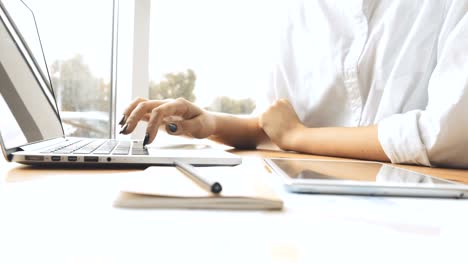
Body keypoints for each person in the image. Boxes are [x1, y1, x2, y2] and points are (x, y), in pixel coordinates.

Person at [119, 1, 468, 169]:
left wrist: (300, 138)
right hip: (318, 199)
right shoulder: (302, 10)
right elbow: (276, 125)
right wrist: (211, 123)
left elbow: (445, 139)